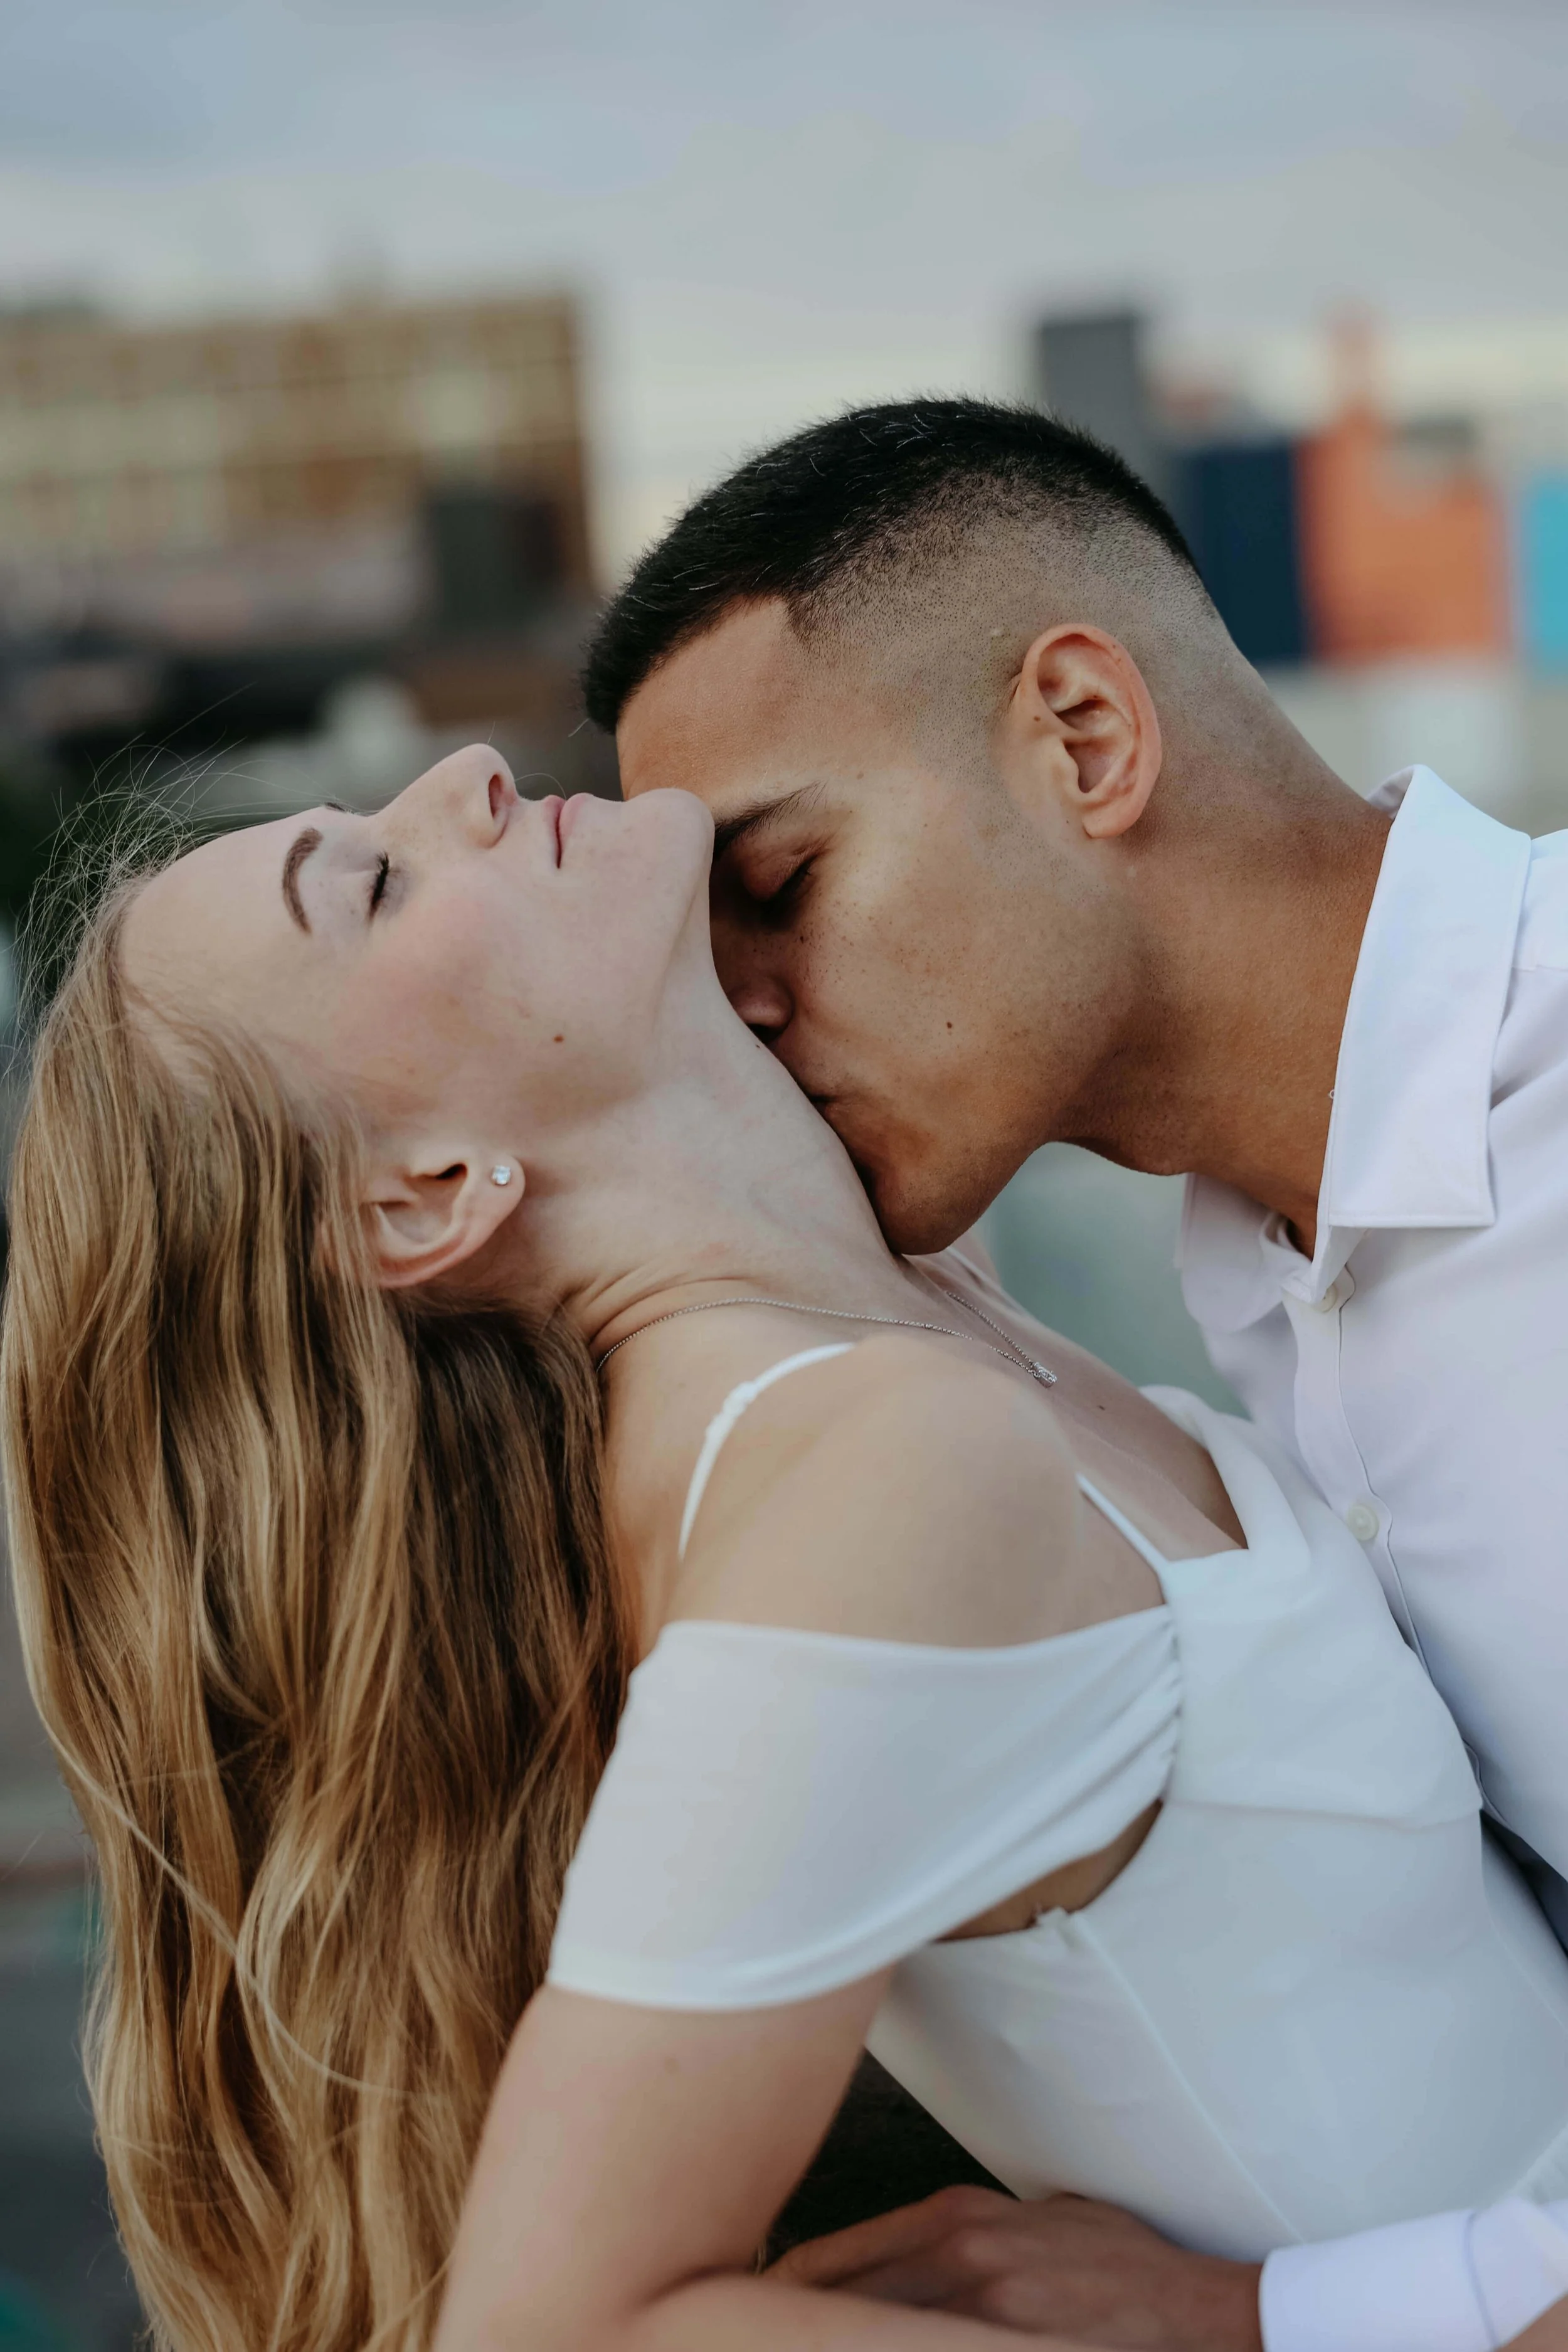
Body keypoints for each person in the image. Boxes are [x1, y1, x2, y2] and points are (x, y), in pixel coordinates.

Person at [6, 751, 1567, 2352]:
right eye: (375, 886)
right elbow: (555, 2331)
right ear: (416, 1202)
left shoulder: (910, 1304)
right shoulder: (860, 1462)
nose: (463, 776)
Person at [582, 393, 1568, 2350]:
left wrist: (1270, 2318)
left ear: (1084, 735)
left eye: (775, 887)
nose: (751, 1014)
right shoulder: (1241, 1290)